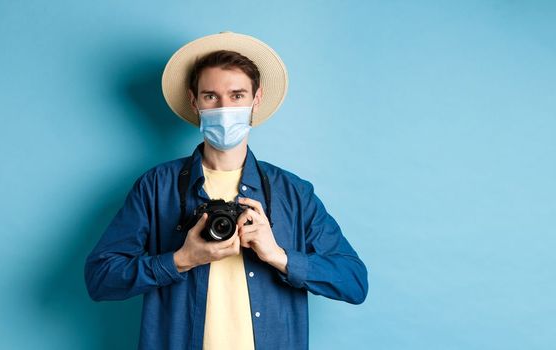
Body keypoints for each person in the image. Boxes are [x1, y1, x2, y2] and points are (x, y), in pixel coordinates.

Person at [84, 31, 368, 350]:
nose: (224, 107)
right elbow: (100, 278)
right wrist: (179, 260)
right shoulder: (156, 186)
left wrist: (278, 256)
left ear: (255, 100)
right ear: (194, 101)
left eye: (236, 95)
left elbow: (354, 282)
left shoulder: (292, 193)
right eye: (211, 96)